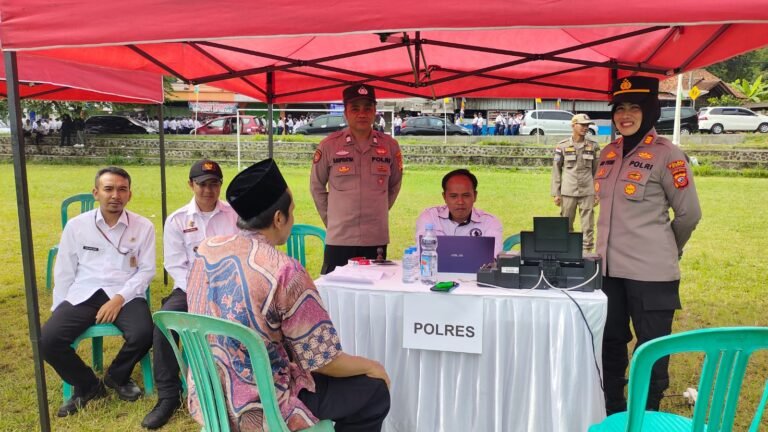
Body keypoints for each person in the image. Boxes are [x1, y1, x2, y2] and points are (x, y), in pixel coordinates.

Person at [187, 158, 391, 431]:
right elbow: (323, 360)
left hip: (210, 392)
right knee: (374, 392)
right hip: (264, 405)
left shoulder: (207, 248)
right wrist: (373, 366)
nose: (293, 219)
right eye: (292, 212)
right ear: (279, 218)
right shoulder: (284, 271)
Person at [595, 76, 702, 415]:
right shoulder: (608, 153)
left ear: (651, 111)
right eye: (620, 108)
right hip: (608, 271)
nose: (625, 115)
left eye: (634, 108)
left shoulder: (667, 155)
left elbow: (688, 214)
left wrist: (670, 248)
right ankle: (612, 409)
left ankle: (646, 416)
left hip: (651, 274)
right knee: (609, 344)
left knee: (651, 350)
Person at [41, 167, 156, 417]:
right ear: (96, 193)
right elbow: (64, 270)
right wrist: (58, 307)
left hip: (125, 292)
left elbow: (146, 271)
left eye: (122, 189)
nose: (115, 195)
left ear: (129, 195)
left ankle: (117, 376)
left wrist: (119, 298)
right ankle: (87, 385)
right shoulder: (77, 226)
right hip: (84, 292)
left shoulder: (143, 226)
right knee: (48, 340)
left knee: (145, 332)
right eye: (108, 189)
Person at [141, 160, 239, 430]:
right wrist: (199, 293)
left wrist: (224, 288)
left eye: (214, 183)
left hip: (229, 286)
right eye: (202, 183)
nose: (208, 189)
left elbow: (241, 253)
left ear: (221, 185)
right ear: (191, 185)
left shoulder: (233, 215)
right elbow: (174, 264)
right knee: (164, 323)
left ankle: (239, 386)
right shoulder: (177, 220)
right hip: (189, 287)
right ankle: (169, 395)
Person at [310, 84, 403, 274]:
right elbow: (317, 186)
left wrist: (378, 211)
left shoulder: (390, 146)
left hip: (375, 237)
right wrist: (332, 219)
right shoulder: (329, 146)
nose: (362, 113)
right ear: (345, 112)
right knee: (336, 295)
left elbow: (394, 185)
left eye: (367, 108)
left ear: (375, 111)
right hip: (339, 237)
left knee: (374, 293)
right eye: (355, 108)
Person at [415, 168, 504, 255]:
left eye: (466, 195)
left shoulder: (490, 222)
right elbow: (424, 254)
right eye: (453, 196)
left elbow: (493, 258)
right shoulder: (430, 217)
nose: (460, 202)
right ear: (444, 197)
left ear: (475, 196)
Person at [551, 113, 601, 251]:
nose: (586, 128)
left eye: (587, 125)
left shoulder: (593, 146)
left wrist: (597, 192)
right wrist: (556, 193)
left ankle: (587, 253)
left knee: (588, 225)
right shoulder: (562, 146)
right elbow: (556, 170)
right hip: (568, 191)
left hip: (587, 191)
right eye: (582, 125)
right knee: (566, 224)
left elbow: (597, 171)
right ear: (573, 125)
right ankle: (568, 252)